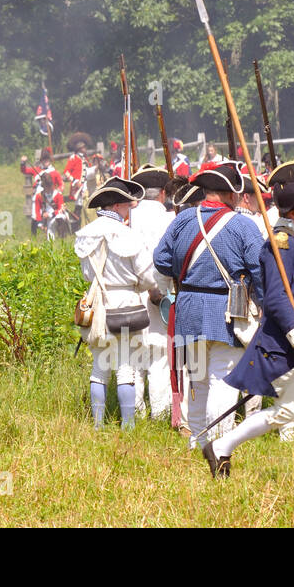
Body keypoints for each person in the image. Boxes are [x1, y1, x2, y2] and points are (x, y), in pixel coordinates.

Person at [203, 160, 294, 481]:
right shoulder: (281, 244)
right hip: (286, 342)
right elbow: (275, 299)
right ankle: (221, 446)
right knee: (286, 410)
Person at [152, 163, 264, 447]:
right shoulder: (243, 225)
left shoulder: (183, 219)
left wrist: (187, 273)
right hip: (227, 310)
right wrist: (263, 304)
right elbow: (260, 271)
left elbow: (161, 260)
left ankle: (198, 442)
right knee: (223, 381)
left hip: (188, 308)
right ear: (229, 194)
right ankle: (216, 446)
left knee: (198, 381)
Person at [77, 177, 164, 429]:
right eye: (126, 205)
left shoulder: (84, 235)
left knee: (99, 368)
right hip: (126, 304)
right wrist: (136, 286)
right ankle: (128, 427)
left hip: (97, 306)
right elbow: (148, 277)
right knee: (126, 368)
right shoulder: (128, 235)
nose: (129, 209)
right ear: (116, 206)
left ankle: (97, 424)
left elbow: (86, 274)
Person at [129, 166, 173, 421]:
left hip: (132, 297)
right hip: (161, 294)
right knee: (159, 358)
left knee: (135, 359)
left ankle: (135, 412)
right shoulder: (170, 219)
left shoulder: (127, 220)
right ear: (163, 193)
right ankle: (160, 413)